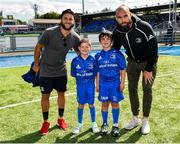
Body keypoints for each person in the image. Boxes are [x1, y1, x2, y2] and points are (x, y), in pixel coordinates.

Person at [33, 9, 80, 135]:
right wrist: (36, 64)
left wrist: (86, 64)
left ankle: (60, 119)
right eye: (65, 18)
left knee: (61, 94)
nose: (68, 21)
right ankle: (46, 122)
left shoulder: (75, 37)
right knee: (45, 96)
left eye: (70, 19)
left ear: (74, 21)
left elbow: (80, 51)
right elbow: (38, 48)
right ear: (61, 20)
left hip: (61, 71)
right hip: (46, 70)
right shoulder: (49, 33)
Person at [113, 5, 158, 135]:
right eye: (119, 17)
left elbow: (153, 49)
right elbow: (116, 49)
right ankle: (135, 118)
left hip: (147, 62)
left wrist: (149, 69)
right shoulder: (117, 31)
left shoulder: (144, 26)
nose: (123, 20)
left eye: (125, 16)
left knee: (147, 89)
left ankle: (145, 120)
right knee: (132, 89)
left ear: (130, 14)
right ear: (116, 19)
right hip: (132, 62)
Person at [95, 30, 126, 137]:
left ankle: (116, 125)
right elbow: (97, 72)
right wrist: (97, 84)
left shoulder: (118, 54)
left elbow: (123, 69)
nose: (105, 41)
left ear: (111, 41)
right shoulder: (98, 56)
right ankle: (104, 124)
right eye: (103, 39)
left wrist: (122, 83)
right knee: (104, 104)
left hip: (115, 84)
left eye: (108, 39)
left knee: (115, 103)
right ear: (100, 42)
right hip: (103, 84)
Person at [71, 38, 100, 134]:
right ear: (79, 48)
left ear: (90, 48)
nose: (84, 48)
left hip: (90, 86)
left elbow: (97, 74)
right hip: (80, 87)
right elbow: (74, 74)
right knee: (81, 104)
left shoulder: (93, 60)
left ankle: (93, 123)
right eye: (82, 47)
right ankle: (79, 124)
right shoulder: (75, 61)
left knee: (91, 104)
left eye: (87, 47)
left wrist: (97, 85)